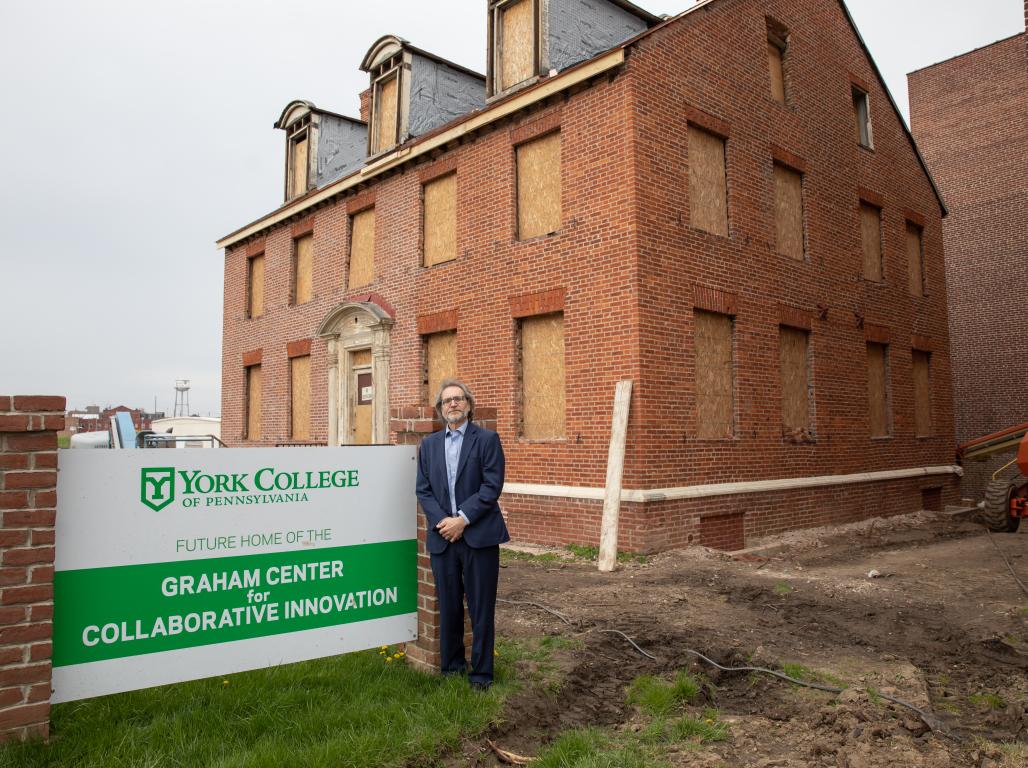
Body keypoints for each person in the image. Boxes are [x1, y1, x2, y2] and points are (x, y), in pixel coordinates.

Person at [415, 379, 508, 690]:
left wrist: (462, 520)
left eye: (458, 399)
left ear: (469, 404)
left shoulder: (487, 440)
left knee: (481, 609)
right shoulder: (429, 445)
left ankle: (481, 675)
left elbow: (491, 486)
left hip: (479, 537)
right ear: (440, 409)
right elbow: (423, 490)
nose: (452, 404)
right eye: (447, 401)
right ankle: (452, 668)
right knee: (450, 607)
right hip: (443, 538)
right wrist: (444, 522)